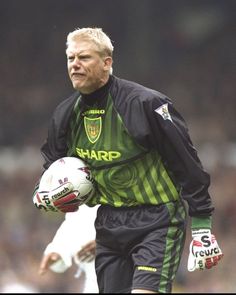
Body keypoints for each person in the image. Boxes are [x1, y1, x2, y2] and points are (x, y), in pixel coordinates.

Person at [33, 27, 223, 293]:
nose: (75, 64)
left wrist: (202, 226)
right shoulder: (65, 114)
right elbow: (52, 167)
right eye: (70, 58)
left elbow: (186, 163)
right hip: (109, 224)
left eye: (84, 57)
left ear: (107, 63)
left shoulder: (146, 104)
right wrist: (45, 194)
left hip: (157, 219)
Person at [38, 205, 98, 293]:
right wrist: (59, 248)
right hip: (95, 280)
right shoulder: (81, 195)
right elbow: (76, 217)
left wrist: (108, 241)